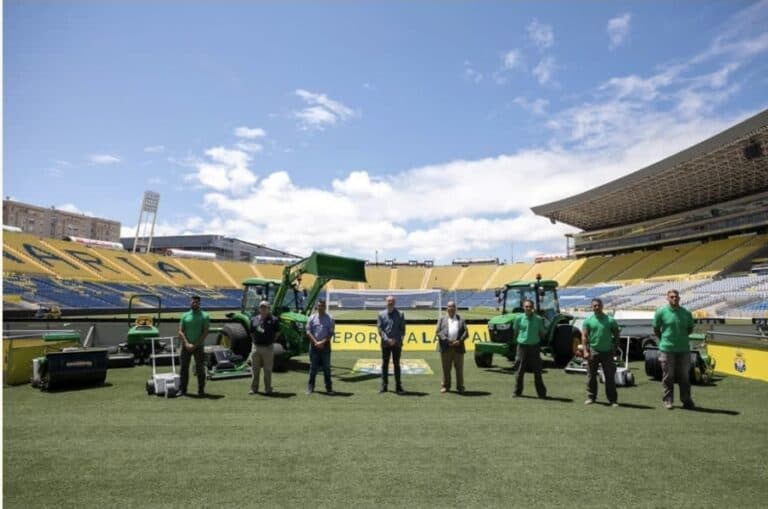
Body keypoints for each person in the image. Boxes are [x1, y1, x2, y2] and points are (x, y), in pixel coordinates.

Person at [653, 289, 695, 410]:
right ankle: (668, 400)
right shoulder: (661, 312)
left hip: (683, 349)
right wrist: (663, 340)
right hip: (667, 349)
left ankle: (686, 400)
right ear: (667, 298)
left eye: (676, 297)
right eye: (671, 297)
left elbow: (690, 329)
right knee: (668, 376)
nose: (674, 299)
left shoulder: (686, 313)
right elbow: (656, 329)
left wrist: (680, 338)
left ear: (679, 298)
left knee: (684, 376)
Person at [581, 298, 620, 407]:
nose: (596, 307)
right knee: (591, 376)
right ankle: (591, 397)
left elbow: (617, 335)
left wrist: (614, 349)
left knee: (610, 377)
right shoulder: (588, 320)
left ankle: (613, 400)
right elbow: (584, 337)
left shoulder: (610, 320)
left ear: (602, 306)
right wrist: (585, 351)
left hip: (607, 353)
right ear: (592, 307)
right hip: (593, 351)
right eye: (594, 306)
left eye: (598, 305)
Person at [512, 299, 547, 398]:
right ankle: (517, 392)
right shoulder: (518, 318)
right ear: (523, 307)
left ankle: (541, 394)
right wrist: (518, 342)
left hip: (534, 347)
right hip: (522, 347)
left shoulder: (539, 319)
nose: (528, 308)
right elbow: (515, 332)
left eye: (530, 306)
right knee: (519, 370)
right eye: (526, 306)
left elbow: (542, 332)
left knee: (537, 371)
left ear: (533, 307)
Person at [178, 295, 210, 396]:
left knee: (200, 369)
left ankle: (201, 390)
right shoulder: (185, 315)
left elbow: (205, 332)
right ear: (190, 303)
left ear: (199, 303)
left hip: (198, 347)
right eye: (193, 302)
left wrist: (195, 345)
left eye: (196, 302)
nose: (194, 304)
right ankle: (183, 390)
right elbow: (180, 331)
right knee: (183, 369)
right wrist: (187, 344)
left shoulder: (204, 316)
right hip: (185, 347)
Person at [435, 301, 468, 393]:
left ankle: (460, 386)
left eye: (453, 306)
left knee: (459, 368)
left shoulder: (461, 319)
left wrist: (459, 341)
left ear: (455, 308)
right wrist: (447, 340)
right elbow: (438, 332)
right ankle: (445, 386)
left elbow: (466, 332)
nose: (451, 308)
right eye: (449, 306)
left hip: (458, 347)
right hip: (446, 347)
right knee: (446, 368)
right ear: (447, 308)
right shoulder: (442, 319)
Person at [249, 300, 281, 395]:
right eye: (261, 307)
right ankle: (254, 388)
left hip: (268, 347)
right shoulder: (254, 319)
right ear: (259, 309)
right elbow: (251, 332)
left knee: (267, 370)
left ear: (268, 309)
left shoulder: (274, 320)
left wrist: (270, 340)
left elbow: (278, 332)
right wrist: (255, 341)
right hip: (256, 347)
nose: (263, 309)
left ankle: (268, 389)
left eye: (265, 307)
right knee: (255, 370)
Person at [377, 295, 406, 394]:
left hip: (397, 344)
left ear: (395, 302)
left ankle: (398, 386)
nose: (390, 302)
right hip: (385, 344)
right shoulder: (381, 314)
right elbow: (380, 329)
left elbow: (402, 330)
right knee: (384, 365)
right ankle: (384, 386)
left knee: (396, 364)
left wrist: (396, 340)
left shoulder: (401, 314)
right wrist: (387, 339)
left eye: (392, 301)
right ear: (386, 302)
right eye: (389, 301)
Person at [306, 299, 335, 394]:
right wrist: (316, 342)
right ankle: (310, 387)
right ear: (316, 307)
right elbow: (308, 332)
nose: (321, 307)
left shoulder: (330, 318)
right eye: (319, 305)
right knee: (313, 368)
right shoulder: (311, 318)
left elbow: (331, 333)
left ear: (325, 307)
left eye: (322, 306)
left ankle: (329, 388)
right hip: (314, 346)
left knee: (327, 368)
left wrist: (322, 342)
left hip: (325, 346)